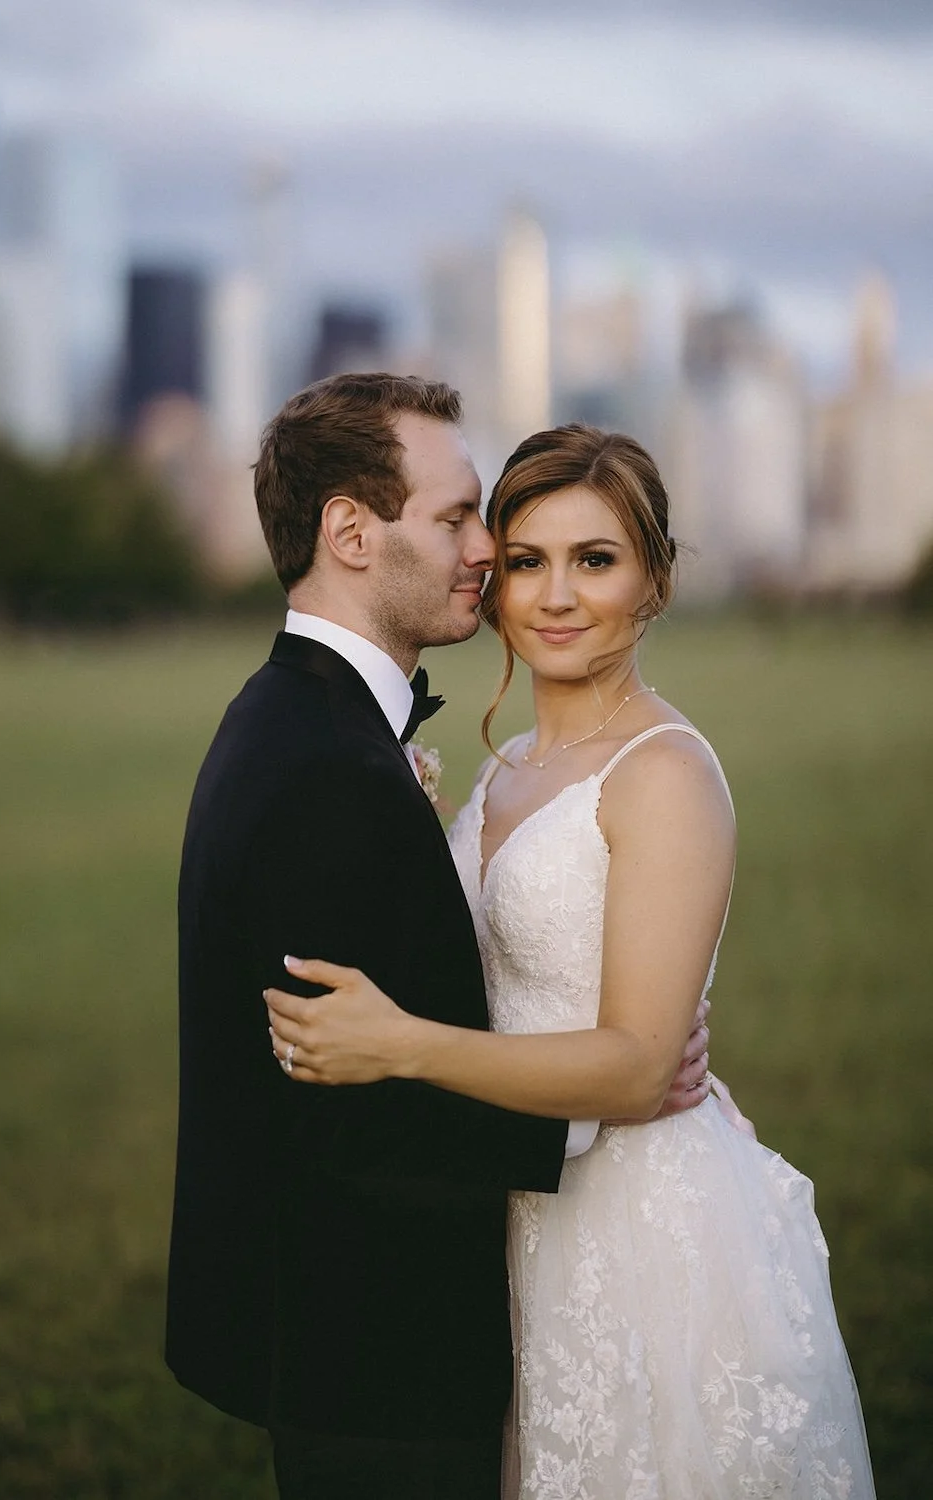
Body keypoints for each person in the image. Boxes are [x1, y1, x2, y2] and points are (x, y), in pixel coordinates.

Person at [266, 424, 876, 1500]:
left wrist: (400, 1046)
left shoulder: (664, 776)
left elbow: (640, 1067)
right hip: (514, 1210)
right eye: (527, 561)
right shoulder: (503, 774)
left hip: (643, 1225)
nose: (554, 595)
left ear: (655, 580)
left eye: (594, 561)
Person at [165, 377, 711, 1500]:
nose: (484, 547)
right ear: (351, 532)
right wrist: (609, 1094)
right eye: (460, 519)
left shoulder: (303, 724)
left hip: (433, 1314)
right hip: (376, 1352)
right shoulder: (327, 767)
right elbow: (349, 1106)